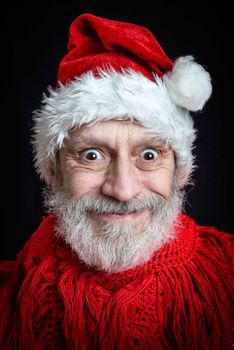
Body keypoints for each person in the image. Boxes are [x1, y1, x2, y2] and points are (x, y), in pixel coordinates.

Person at [0, 13, 232, 350]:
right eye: (92, 155)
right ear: (54, 171)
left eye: (149, 155)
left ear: (180, 173)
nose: (123, 190)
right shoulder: (14, 297)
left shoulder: (225, 277)